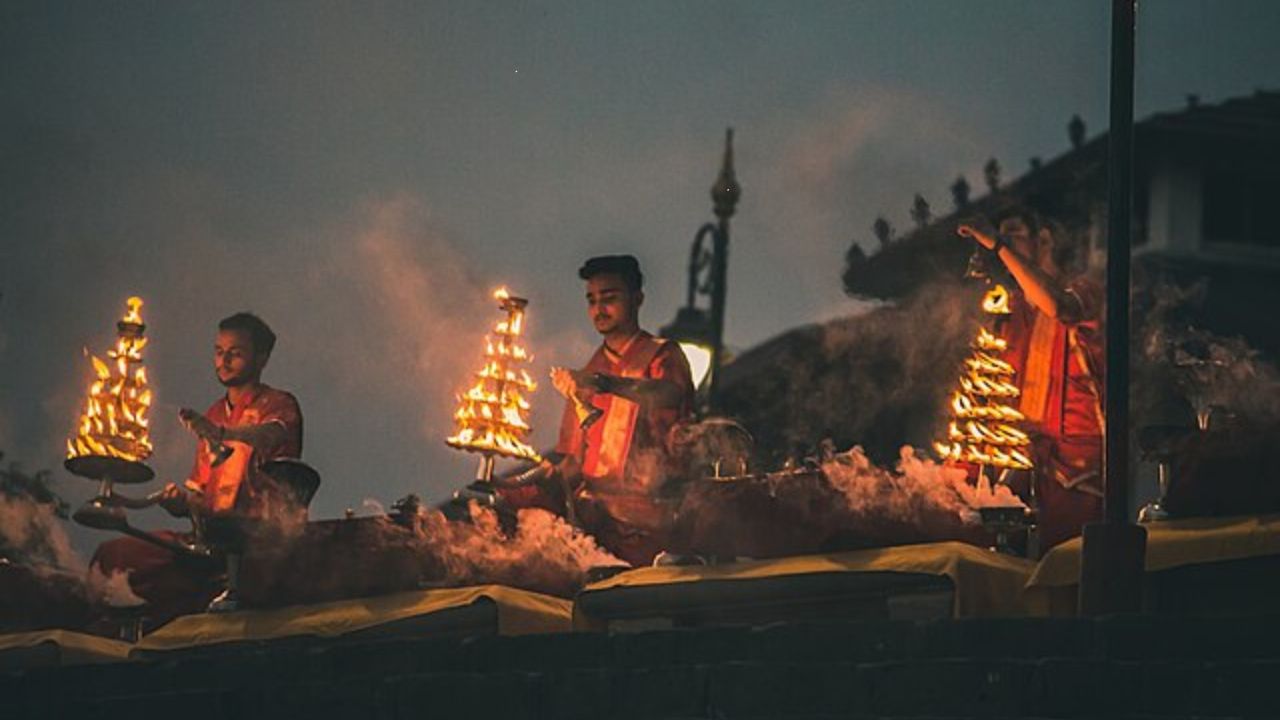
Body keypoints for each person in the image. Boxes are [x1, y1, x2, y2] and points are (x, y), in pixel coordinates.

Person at [90, 312, 303, 622]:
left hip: (257, 543)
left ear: (261, 358)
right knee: (113, 558)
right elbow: (199, 497)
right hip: (207, 543)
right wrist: (178, 501)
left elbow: (270, 435)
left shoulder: (279, 403)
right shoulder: (214, 413)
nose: (224, 360)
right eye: (219, 352)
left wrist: (221, 434)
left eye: (236, 353)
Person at [500, 255, 695, 565]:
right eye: (591, 301)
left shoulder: (662, 354)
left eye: (609, 298)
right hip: (596, 528)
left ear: (637, 299)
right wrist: (521, 484)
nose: (598, 309)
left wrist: (605, 384)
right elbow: (574, 462)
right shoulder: (589, 372)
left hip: (653, 526)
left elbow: (669, 395)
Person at [957, 204, 1105, 550]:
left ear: (1045, 239)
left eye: (1014, 233)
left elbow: (1060, 307)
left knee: (1069, 564)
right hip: (1022, 459)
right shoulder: (1014, 307)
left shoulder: (1086, 292)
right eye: (1003, 234)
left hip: (1076, 467)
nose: (1005, 242)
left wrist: (997, 245)